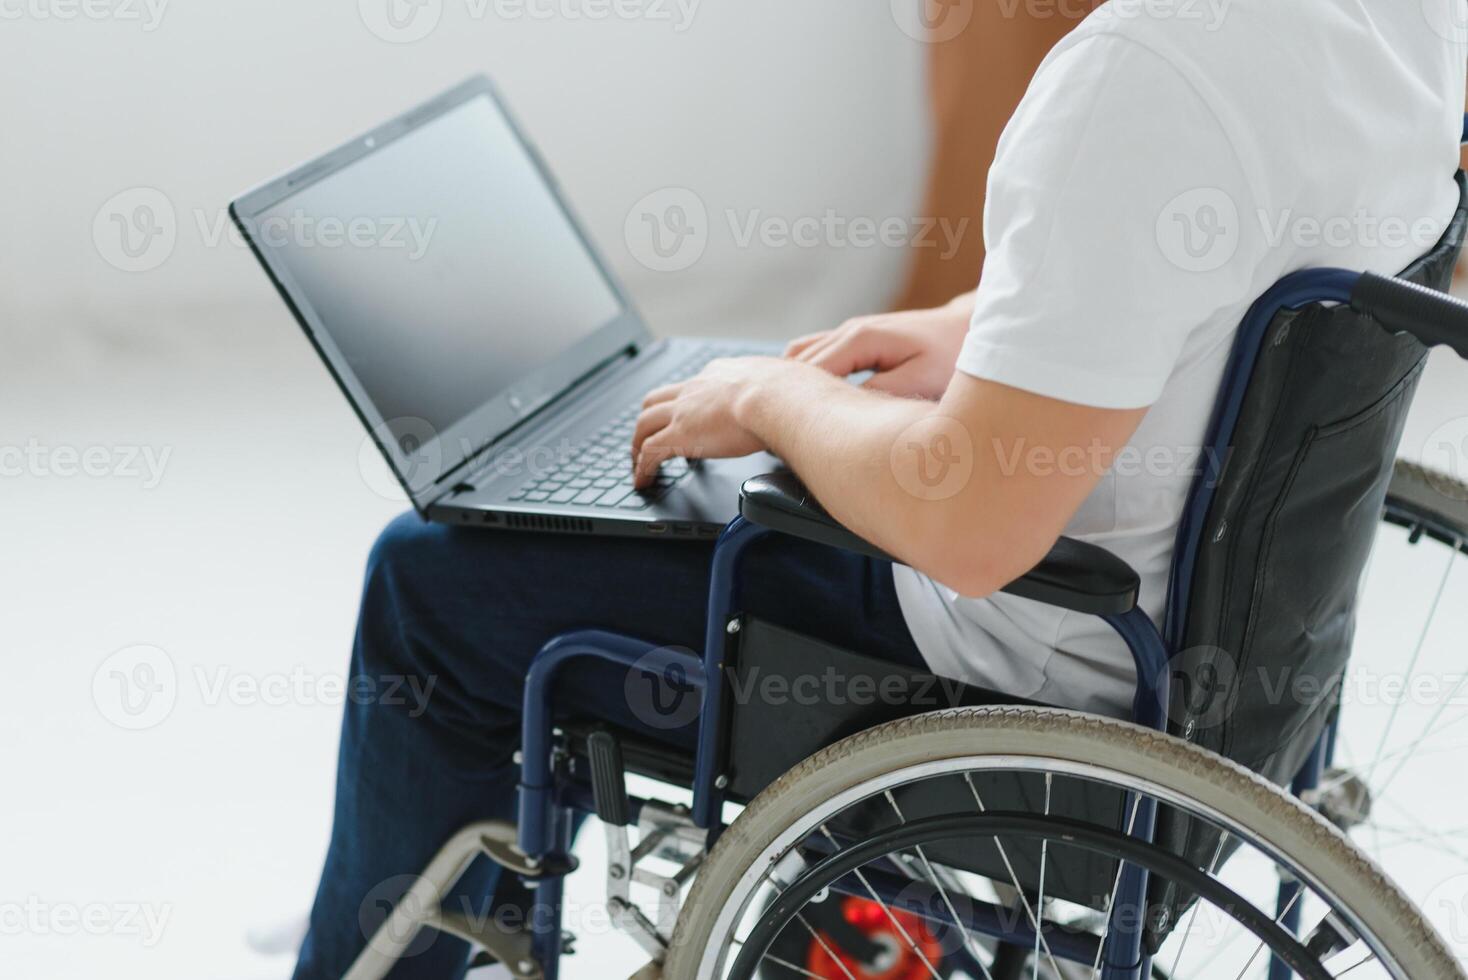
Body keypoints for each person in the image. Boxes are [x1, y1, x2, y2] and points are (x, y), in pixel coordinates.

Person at [292, 2, 1467, 976]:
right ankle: (414, 890)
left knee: (433, 577)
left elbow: (971, 525)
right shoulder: (1389, 23)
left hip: (1040, 665)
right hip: (1236, 654)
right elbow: (1251, 274)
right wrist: (983, 331)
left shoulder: (1139, 77)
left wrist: (768, 405)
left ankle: (376, 938)